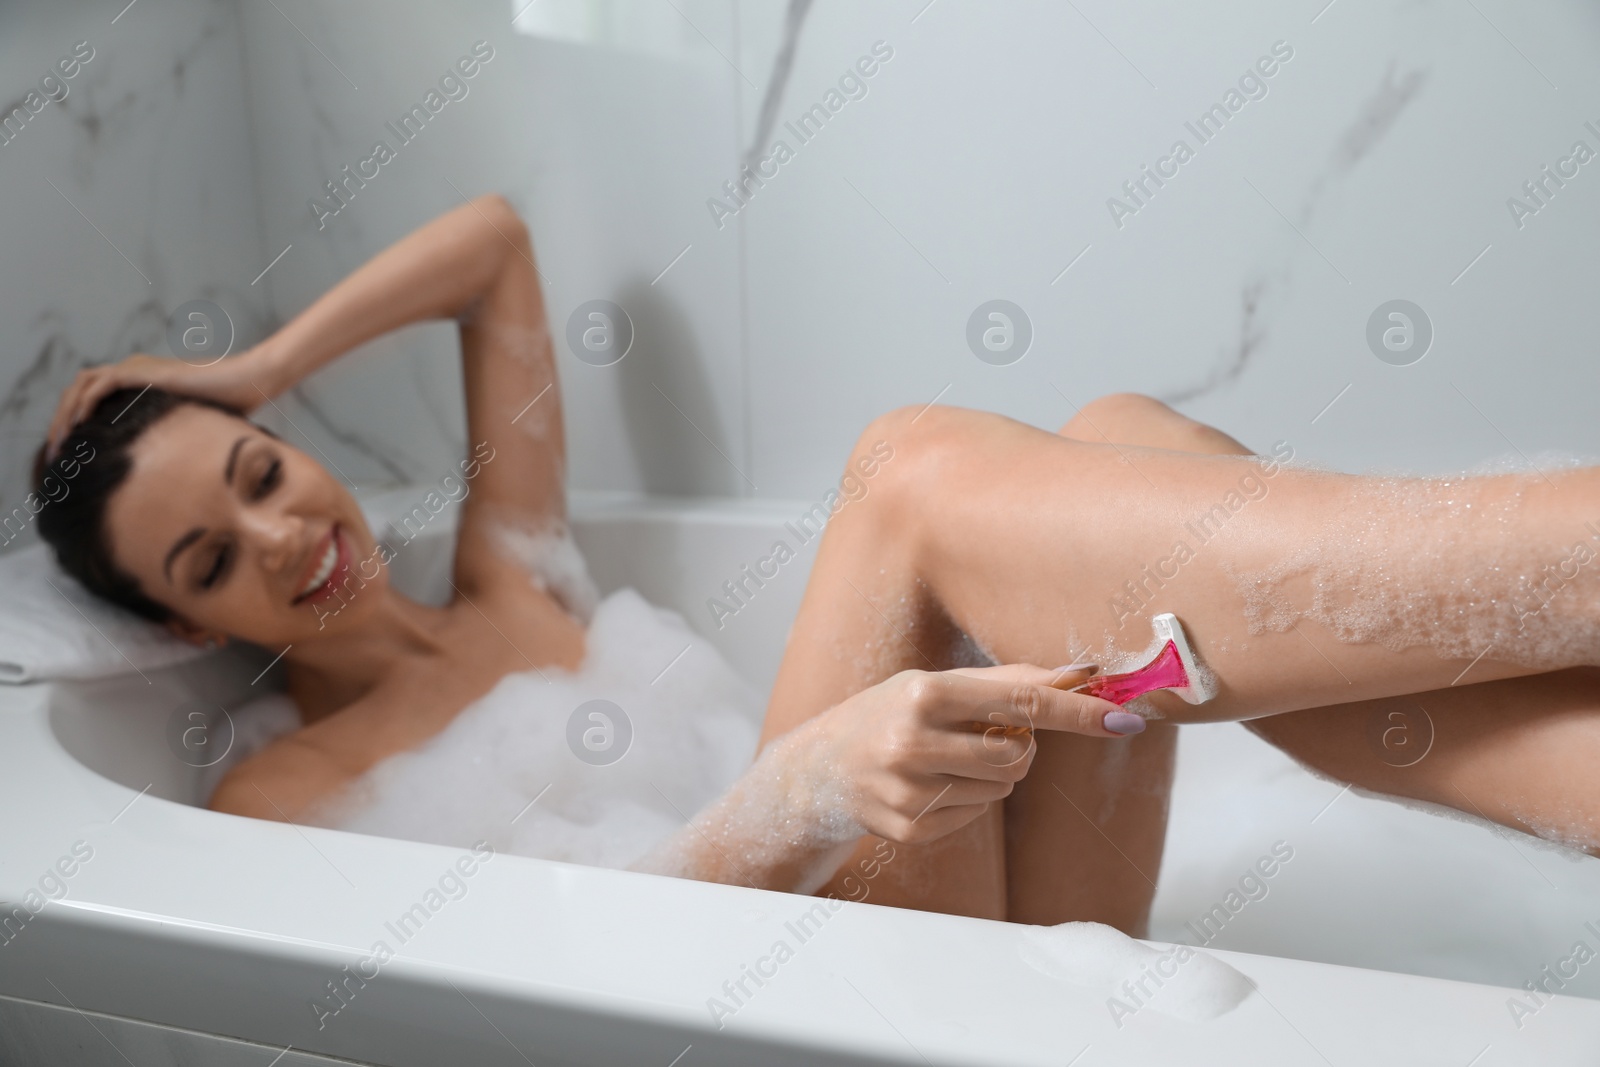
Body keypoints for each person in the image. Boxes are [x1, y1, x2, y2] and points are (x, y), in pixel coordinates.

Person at [35, 198, 1598, 935]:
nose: (289, 533)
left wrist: (252, 360)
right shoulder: (281, 797)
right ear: (180, 618)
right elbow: (539, 972)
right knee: (910, 476)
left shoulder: (519, 580)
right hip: (779, 1001)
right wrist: (804, 793)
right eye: (210, 556)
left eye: (262, 468)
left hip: (974, 943)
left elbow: (493, 242)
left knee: (1127, 436)